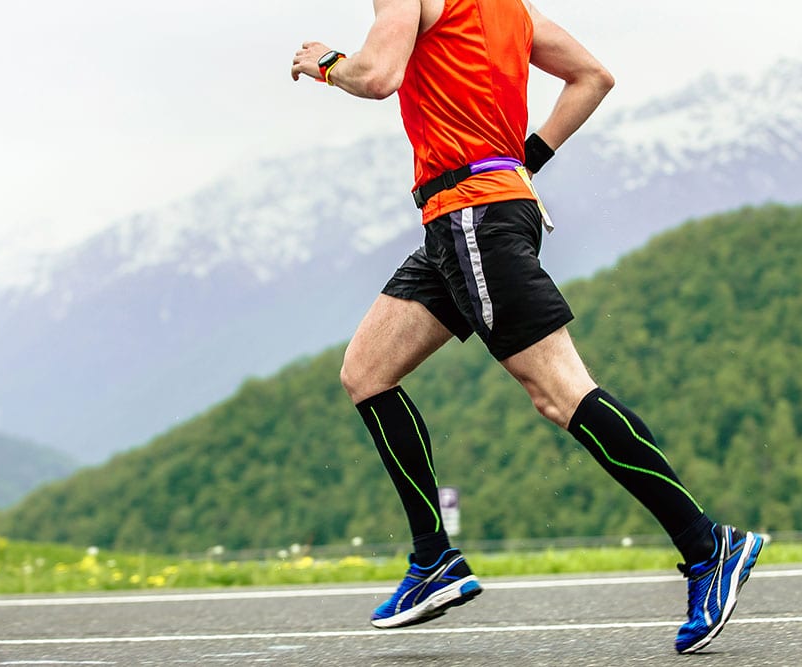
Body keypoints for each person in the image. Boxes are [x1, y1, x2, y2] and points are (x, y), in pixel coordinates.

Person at [291, 0, 763, 654]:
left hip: (473, 220)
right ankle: (433, 559)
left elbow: (376, 75)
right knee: (366, 372)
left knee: (560, 391)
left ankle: (709, 545)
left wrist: (325, 63)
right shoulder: (507, 6)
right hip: (466, 219)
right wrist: (525, 160)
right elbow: (594, 76)